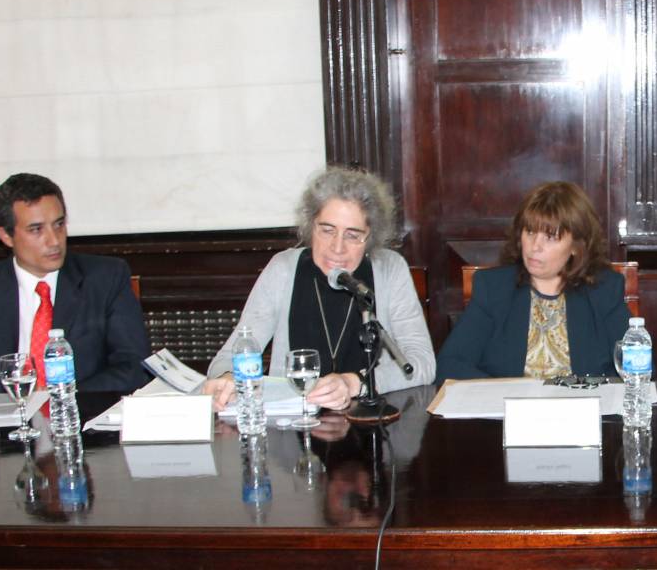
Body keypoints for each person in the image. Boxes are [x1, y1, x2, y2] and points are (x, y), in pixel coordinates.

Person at [202, 166, 435, 411]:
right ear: (310, 227)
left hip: (373, 428)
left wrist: (355, 382)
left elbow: (422, 364)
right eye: (327, 230)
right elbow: (229, 356)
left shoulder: (389, 269)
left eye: (353, 235)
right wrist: (225, 379)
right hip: (293, 431)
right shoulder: (282, 269)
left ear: (370, 238)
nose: (337, 247)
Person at [0, 174, 150, 397]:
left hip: (80, 416)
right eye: (36, 229)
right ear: (6, 236)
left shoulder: (105, 278)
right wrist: (11, 403)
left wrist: (58, 397)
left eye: (59, 225)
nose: (54, 240)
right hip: (3, 419)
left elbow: (133, 367)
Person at [436, 181, 629, 381]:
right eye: (529, 232)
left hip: (581, 409)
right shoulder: (493, 288)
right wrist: (510, 396)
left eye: (550, 237)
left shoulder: (604, 290)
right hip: (509, 410)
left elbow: (638, 369)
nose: (535, 246)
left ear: (576, 247)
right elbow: (450, 365)